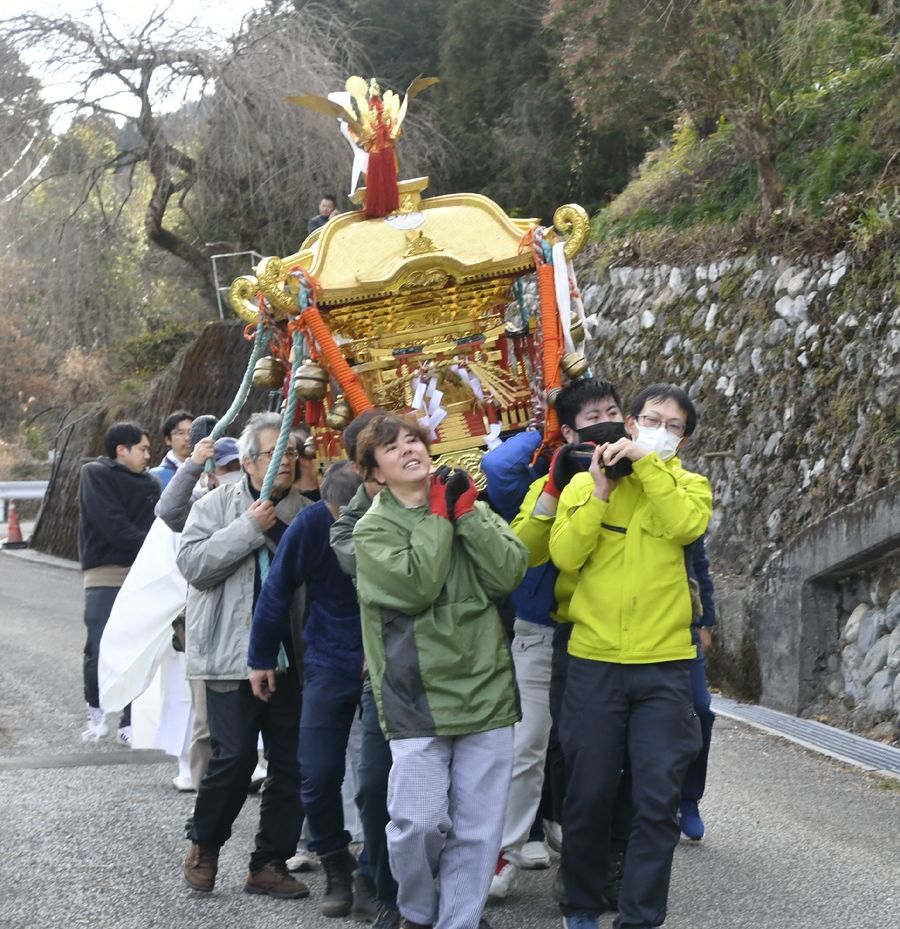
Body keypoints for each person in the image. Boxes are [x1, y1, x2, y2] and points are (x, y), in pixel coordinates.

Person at [352, 413, 528, 929]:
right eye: (392, 447)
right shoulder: (372, 529)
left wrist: (469, 516)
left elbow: (510, 571)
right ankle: (417, 910)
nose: (409, 449)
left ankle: (459, 921)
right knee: (416, 823)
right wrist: (438, 517)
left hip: (486, 687)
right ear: (376, 473)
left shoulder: (462, 501)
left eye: (414, 439)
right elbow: (416, 586)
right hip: (415, 694)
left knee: (478, 829)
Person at [549, 384, 712, 929]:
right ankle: (581, 904)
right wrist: (598, 494)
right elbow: (564, 555)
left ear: (682, 440)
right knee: (589, 792)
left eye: (673, 426)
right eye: (650, 419)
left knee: (655, 799)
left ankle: (640, 917)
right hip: (594, 663)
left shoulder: (689, 486)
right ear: (631, 421)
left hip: (664, 666)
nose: (660, 430)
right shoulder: (584, 480)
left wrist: (648, 466)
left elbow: (685, 526)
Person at [482, 379, 626, 902]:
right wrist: (545, 443)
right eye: (592, 417)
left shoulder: (635, 473)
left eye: (614, 412)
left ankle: (593, 856)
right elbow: (518, 540)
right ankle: (502, 851)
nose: (606, 423)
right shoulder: (543, 474)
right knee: (527, 746)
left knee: (594, 751)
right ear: (567, 430)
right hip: (542, 629)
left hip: (606, 634)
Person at [177, 412, 311, 898]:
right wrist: (250, 528)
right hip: (229, 655)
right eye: (277, 454)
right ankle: (205, 843)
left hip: (290, 657)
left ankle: (269, 862)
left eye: (293, 453)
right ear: (251, 461)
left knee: (292, 763)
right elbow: (193, 565)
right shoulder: (216, 505)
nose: (287, 463)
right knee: (232, 759)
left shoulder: (304, 510)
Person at [249, 460, 366, 918]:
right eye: (339, 514)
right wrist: (261, 656)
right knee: (315, 774)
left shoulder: (395, 514)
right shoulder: (313, 522)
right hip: (328, 657)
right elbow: (277, 589)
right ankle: (336, 864)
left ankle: (376, 872)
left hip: (386, 661)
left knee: (381, 780)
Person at [78, 421, 159, 744]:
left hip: (141, 572)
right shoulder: (94, 474)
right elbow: (111, 523)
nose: (148, 455)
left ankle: (131, 719)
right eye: (142, 449)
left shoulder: (151, 483)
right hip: (105, 572)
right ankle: (96, 710)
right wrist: (151, 546)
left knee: (138, 647)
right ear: (120, 450)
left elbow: (160, 525)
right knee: (99, 645)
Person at [679, 535, 717, 840]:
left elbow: (698, 563)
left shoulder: (688, 489)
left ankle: (688, 800)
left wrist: (705, 621)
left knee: (701, 709)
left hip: (684, 629)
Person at [149, 410, 194, 489]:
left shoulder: (207, 471)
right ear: (168, 440)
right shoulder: (156, 476)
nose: (187, 438)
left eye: (191, 432)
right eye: (180, 433)